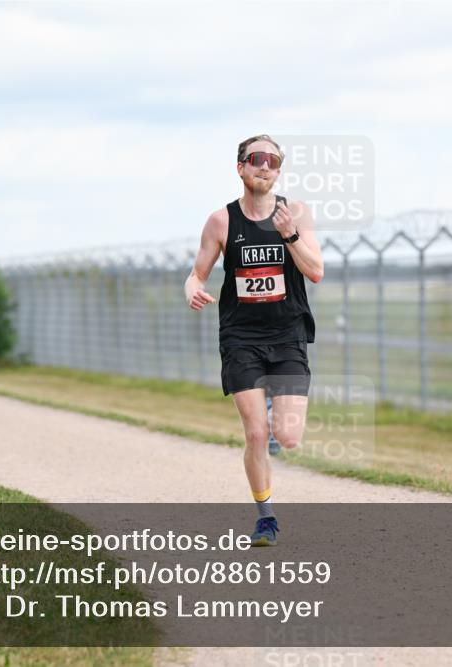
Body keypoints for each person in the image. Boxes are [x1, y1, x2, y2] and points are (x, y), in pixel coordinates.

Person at [185, 135, 324, 546]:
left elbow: (315, 271)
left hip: (288, 333)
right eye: (256, 159)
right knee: (257, 435)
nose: (265, 166)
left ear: (278, 170)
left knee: (289, 437)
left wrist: (290, 237)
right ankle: (266, 519)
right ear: (241, 167)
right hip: (241, 336)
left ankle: (270, 405)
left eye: (273, 161)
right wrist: (190, 288)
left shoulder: (294, 212)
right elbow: (198, 273)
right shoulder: (221, 221)